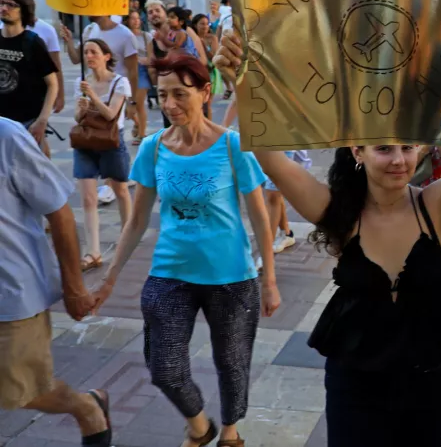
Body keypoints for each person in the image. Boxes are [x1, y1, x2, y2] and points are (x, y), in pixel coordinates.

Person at [213, 27, 441, 446]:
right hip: (354, 386)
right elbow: (266, 150)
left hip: (426, 383)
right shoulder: (335, 211)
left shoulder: (439, 203)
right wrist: (238, 76)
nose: (399, 160)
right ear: (357, 151)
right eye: (383, 148)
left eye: (408, 147)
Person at [92, 54, 280, 447]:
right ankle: (199, 426)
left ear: (205, 91)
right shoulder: (153, 147)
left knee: (232, 363)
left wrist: (271, 280)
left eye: (180, 93)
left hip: (231, 276)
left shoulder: (232, 147)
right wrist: (110, 277)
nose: (171, 104)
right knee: (165, 367)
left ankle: (229, 431)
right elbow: (138, 219)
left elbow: (261, 218)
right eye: (162, 95)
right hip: (170, 273)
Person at [0, 117, 113, 447]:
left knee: (23, 392)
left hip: (11, 295)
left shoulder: (7, 136)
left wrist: (74, 287)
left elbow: (60, 212)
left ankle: (87, 407)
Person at [73, 39, 134, 272]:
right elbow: (79, 119)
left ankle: (127, 237)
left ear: (106, 56)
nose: (89, 56)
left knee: (120, 190)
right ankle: (93, 251)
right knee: (88, 197)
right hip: (86, 143)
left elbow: (110, 115)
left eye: (94, 52)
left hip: (111, 143)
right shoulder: (84, 82)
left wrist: (93, 98)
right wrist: (81, 108)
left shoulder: (120, 82)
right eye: (86, 52)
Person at [0, 0, 58, 153]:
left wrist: (42, 121)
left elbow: (52, 84)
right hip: (2, 121)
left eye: (11, 5)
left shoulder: (32, 42)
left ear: (23, 11)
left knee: (32, 172)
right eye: (2, 3)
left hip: (26, 121)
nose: (4, 8)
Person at [127, 9, 154, 142]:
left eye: (137, 18)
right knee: (127, 104)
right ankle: (137, 123)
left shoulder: (146, 36)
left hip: (142, 71)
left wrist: (140, 60)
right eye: (133, 18)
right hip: (127, 71)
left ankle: (142, 134)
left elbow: (150, 58)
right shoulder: (125, 35)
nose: (136, 21)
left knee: (138, 104)